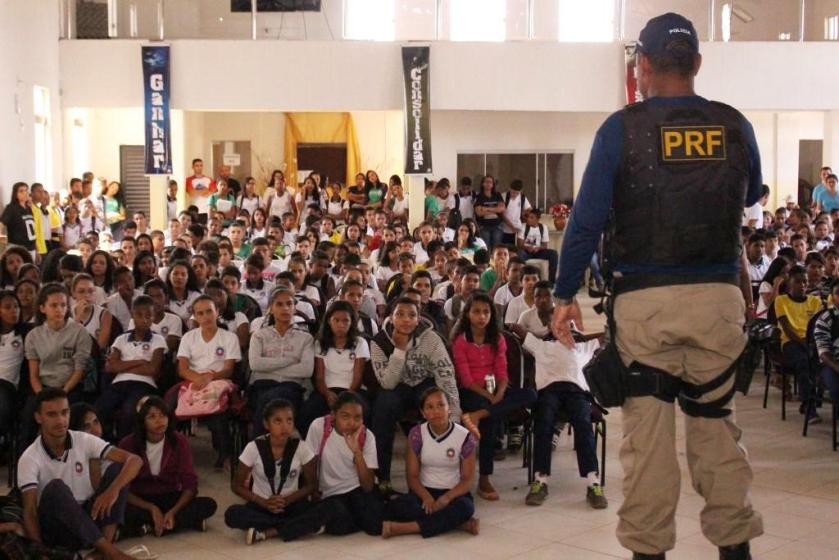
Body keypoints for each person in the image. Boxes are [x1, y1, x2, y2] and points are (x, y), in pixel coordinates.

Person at [551, 14, 765, 560]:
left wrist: (563, 295)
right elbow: (748, 197)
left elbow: (586, 221)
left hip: (647, 307)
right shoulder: (735, 126)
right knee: (719, 442)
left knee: (647, 452)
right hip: (719, 302)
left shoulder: (622, 129)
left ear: (641, 65)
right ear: (696, 64)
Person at [17, 388, 143, 560]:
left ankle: (102, 549)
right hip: (58, 530)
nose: (61, 420)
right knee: (56, 488)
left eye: (64, 413)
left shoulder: (82, 439)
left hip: (88, 519)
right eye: (52, 415)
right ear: (38, 417)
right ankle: (112, 553)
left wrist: (112, 491)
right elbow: (30, 511)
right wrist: (41, 553)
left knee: (118, 469)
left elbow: (134, 460)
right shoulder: (30, 457)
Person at [370, 296, 461, 493]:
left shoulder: (431, 339)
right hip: (397, 387)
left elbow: (446, 375)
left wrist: (454, 412)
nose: (406, 320)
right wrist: (399, 349)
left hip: (424, 384)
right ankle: (382, 477)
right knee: (383, 407)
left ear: (418, 319)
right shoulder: (379, 342)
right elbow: (387, 382)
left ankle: (430, 479)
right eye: (400, 315)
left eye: (411, 315)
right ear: (391, 318)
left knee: (435, 403)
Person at [451, 292, 536, 500]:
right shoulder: (460, 341)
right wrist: (490, 400)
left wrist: (498, 393)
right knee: (491, 419)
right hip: (471, 392)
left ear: (491, 315)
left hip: (495, 391)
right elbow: (466, 379)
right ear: (468, 314)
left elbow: (502, 371)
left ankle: (479, 415)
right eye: (477, 312)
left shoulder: (497, 339)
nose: (482, 316)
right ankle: (484, 478)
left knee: (531, 395)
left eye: (486, 312)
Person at [520, 328, 606, 508]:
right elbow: (518, 329)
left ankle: (593, 483)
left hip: (577, 392)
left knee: (583, 425)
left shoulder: (582, 347)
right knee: (543, 424)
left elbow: (604, 338)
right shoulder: (542, 346)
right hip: (549, 391)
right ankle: (540, 481)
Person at [224, 398, 326, 545]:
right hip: (261, 504)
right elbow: (236, 485)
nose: (285, 426)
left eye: (289, 421)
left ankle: (268, 532)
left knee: (326, 508)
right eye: (278, 421)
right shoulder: (253, 447)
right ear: (266, 424)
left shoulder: (302, 448)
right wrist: (264, 502)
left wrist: (287, 500)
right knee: (232, 514)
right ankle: (291, 526)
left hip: (291, 504)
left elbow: (311, 484)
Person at [382, 386, 479, 539]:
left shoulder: (465, 437)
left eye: (441, 405)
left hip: (453, 493)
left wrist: (446, 498)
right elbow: (412, 476)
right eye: (430, 407)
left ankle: (404, 528)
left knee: (465, 507)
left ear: (450, 408)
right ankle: (458, 524)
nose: (436, 411)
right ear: (423, 413)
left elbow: (467, 481)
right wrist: (427, 497)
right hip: (424, 491)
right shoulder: (416, 434)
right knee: (397, 506)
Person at [119, 397, 217, 537]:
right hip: (141, 499)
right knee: (118, 508)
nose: (160, 421)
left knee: (208, 504)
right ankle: (174, 524)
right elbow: (122, 487)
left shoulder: (179, 441)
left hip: (169, 497)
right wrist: (151, 508)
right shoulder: (127, 444)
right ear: (142, 421)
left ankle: (152, 525)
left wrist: (173, 511)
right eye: (152, 416)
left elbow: (190, 483)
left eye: (163, 415)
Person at [304, 391, 384, 536]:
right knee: (339, 525)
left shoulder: (367, 437)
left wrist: (357, 451)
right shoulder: (319, 427)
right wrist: (313, 490)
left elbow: (367, 486)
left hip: (357, 490)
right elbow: (310, 463)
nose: (351, 423)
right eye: (345, 416)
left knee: (375, 526)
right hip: (331, 494)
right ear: (334, 415)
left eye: (357, 417)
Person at [21, 283, 92, 443]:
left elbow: (79, 369)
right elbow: (34, 374)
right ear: (42, 308)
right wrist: (42, 396)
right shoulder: (33, 335)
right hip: (43, 388)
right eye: (54, 305)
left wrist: (63, 392)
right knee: (28, 418)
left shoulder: (79, 332)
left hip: (70, 387)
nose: (59, 309)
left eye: (63, 305)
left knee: (73, 419)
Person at [176, 295, 241, 468]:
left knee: (217, 410)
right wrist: (197, 378)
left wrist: (209, 377)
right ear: (195, 317)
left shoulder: (229, 338)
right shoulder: (188, 337)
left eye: (209, 311)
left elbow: (229, 369)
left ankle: (225, 454)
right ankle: (174, 454)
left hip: (219, 380)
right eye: (200, 313)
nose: (205, 316)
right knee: (168, 407)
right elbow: (182, 369)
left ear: (217, 312)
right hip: (192, 380)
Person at [96, 295, 166, 440]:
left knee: (129, 412)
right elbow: (110, 367)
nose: (144, 319)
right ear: (133, 315)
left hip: (144, 384)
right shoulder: (121, 339)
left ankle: (125, 446)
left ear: (153, 317)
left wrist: (123, 366)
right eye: (139, 315)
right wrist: (139, 361)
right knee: (100, 409)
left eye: (148, 316)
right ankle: (109, 442)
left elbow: (152, 370)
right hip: (119, 383)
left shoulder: (158, 340)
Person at [247, 286, 314, 436]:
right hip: (262, 385)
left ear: (295, 309)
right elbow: (255, 364)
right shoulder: (259, 336)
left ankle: (258, 447)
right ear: (270, 309)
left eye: (289, 304)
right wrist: (289, 360)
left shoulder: (305, 338)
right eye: (279, 304)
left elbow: (306, 370)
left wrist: (268, 365)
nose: (285, 308)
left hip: (292, 388)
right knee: (266, 398)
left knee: (271, 401)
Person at [298, 301, 370, 436]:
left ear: (352, 323)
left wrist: (346, 396)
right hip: (326, 390)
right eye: (336, 320)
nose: (341, 325)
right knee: (306, 413)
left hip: (353, 390)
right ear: (329, 321)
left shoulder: (360, 343)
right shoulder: (320, 343)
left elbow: (358, 377)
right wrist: (327, 394)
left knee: (363, 412)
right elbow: (319, 377)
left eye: (345, 321)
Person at [774, 266, 823, 423]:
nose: (802, 285)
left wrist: (813, 345)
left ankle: (810, 400)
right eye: (798, 282)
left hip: (812, 341)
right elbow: (788, 329)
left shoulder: (815, 302)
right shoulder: (781, 301)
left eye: (805, 282)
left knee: (821, 362)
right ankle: (810, 408)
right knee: (803, 362)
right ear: (790, 283)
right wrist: (805, 344)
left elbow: (818, 326)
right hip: (791, 343)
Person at [518, 208, 558, 282]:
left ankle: (552, 281)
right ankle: (521, 280)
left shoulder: (543, 227)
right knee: (520, 254)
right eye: (528, 217)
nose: (528, 219)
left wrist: (538, 248)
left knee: (554, 254)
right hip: (526, 251)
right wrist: (527, 247)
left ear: (538, 219)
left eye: (532, 217)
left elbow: (545, 245)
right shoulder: (523, 227)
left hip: (538, 251)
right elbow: (520, 244)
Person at [0, 182, 36, 255]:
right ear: (15, 194)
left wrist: (36, 249)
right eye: (21, 191)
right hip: (17, 247)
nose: (25, 193)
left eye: (26, 190)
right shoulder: (11, 208)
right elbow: (2, 223)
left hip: (31, 247)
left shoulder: (28, 208)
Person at [473, 175, 505, 251]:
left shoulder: (497, 195)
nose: (488, 184)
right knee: (485, 247)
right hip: (484, 226)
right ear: (482, 184)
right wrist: (495, 209)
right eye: (486, 182)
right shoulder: (479, 196)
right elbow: (478, 213)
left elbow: (501, 209)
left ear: (493, 184)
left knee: (497, 248)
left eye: (490, 182)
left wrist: (485, 209)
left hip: (497, 226)